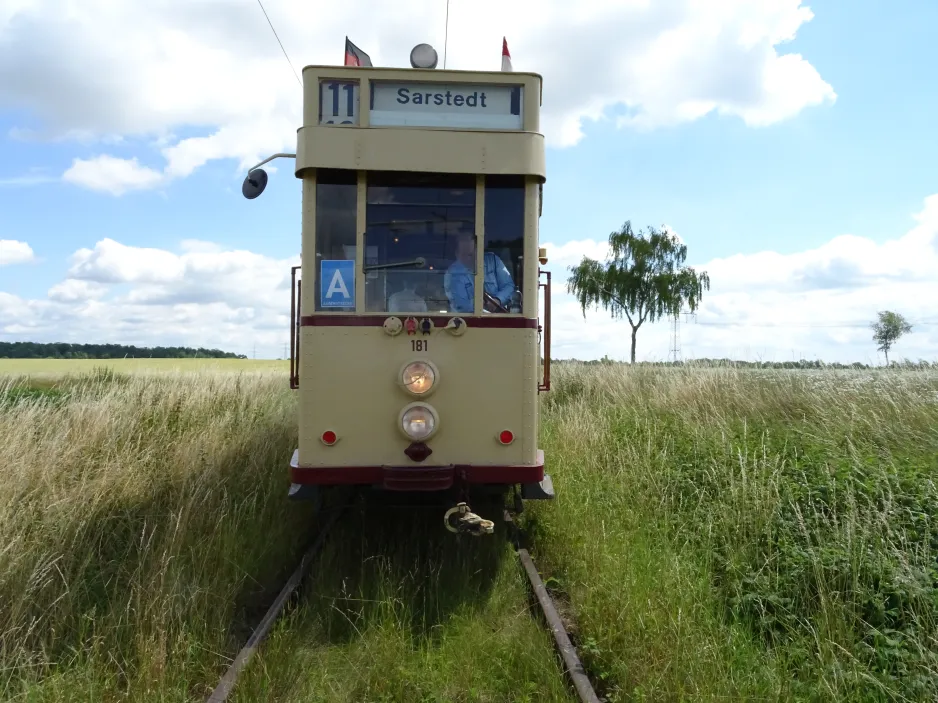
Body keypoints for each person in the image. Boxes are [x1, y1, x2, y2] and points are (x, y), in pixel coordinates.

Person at [444, 230, 515, 313]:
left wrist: (498, 300)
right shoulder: (452, 274)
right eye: (465, 255)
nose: (471, 259)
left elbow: (509, 286)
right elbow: (462, 306)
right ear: (457, 254)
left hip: (500, 318)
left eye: (473, 253)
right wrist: (483, 305)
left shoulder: (493, 261)